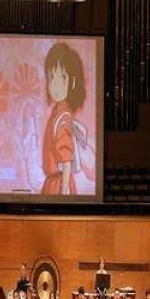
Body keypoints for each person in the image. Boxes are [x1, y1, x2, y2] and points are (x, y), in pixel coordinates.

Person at [41, 42, 87, 196]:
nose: (56, 84)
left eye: (62, 77)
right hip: (55, 182)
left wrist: (65, 190)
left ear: (72, 83)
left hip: (59, 184)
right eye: (52, 77)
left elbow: (66, 159)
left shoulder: (63, 116)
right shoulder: (58, 113)